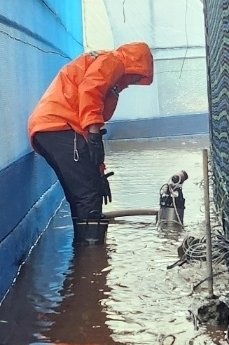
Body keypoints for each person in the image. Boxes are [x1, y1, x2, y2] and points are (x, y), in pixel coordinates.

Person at [27, 43, 154, 232]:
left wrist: (99, 174)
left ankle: (82, 254)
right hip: (59, 125)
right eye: (138, 75)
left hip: (51, 129)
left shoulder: (108, 73)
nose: (135, 81)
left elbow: (88, 134)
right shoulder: (113, 61)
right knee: (88, 195)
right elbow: (90, 93)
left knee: (80, 195)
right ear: (135, 63)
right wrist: (95, 134)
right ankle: (93, 254)